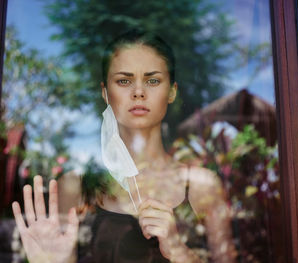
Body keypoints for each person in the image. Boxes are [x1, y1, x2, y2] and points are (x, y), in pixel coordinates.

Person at [12, 29, 237, 263]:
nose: (138, 92)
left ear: (171, 91)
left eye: (152, 80)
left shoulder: (201, 186)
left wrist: (178, 250)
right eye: (124, 81)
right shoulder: (76, 187)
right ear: (105, 93)